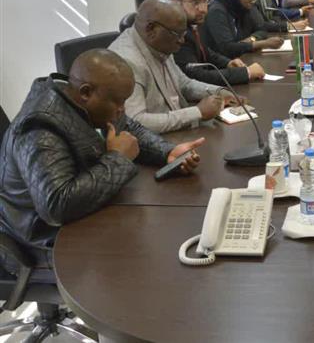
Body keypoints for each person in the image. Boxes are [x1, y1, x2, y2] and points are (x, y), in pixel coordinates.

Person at [0, 49, 204, 268]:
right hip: (48, 243)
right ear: (86, 92)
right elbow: (57, 206)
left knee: (163, 238)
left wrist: (167, 152)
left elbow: (128, 128)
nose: (122, 110)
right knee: (155, 259)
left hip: (90, 217)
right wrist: (118, 158)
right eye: (118, 102)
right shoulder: (39, 126)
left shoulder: (87, 102)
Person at [110, 0, 239, 133]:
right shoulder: (126, 62)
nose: (182, 41)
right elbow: (135, 122)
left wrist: (219, 92)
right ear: (151, 29)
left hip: (177, 132)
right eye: (177, 34)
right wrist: (197, 112)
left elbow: (184, 84)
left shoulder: (160, 44)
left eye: (183, 34)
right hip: (156, 141)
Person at [172, 0, 266, 86]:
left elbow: (207, 53)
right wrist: (246, 73)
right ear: (176, 2)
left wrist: (228, 63)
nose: (203, 9)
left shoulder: (194, 23)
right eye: (195, 2)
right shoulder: (175, 34)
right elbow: (197, 76)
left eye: (205, 0)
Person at [202, 0, 285, 58]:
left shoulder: (242, 8)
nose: (252, 1)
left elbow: (262, 29)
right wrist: (263, 43)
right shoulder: (217, 11)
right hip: (223, 63)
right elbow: (227, 48)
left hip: (241, 58)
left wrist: (252, 39)